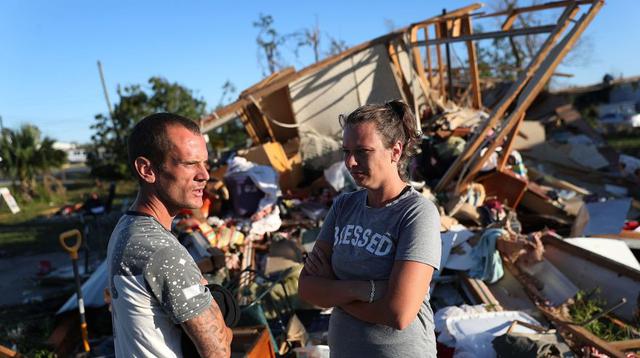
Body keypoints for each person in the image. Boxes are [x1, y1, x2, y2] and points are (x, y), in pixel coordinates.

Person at [298, 100, 442, 357]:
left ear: (395, 151)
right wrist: (366, 290)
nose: (350, 162)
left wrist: (334, 289)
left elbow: (398, 313)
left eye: (363, 151)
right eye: (346, 151)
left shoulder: (417, 214)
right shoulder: (343, 206)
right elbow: (308, 288)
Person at [106, 113, 232, 357]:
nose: (204, 175)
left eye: (205, 163)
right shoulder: (162, 251)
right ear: (147, 169)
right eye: (189, 163)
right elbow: (219, 351)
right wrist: (225, 328)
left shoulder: (127, 227)